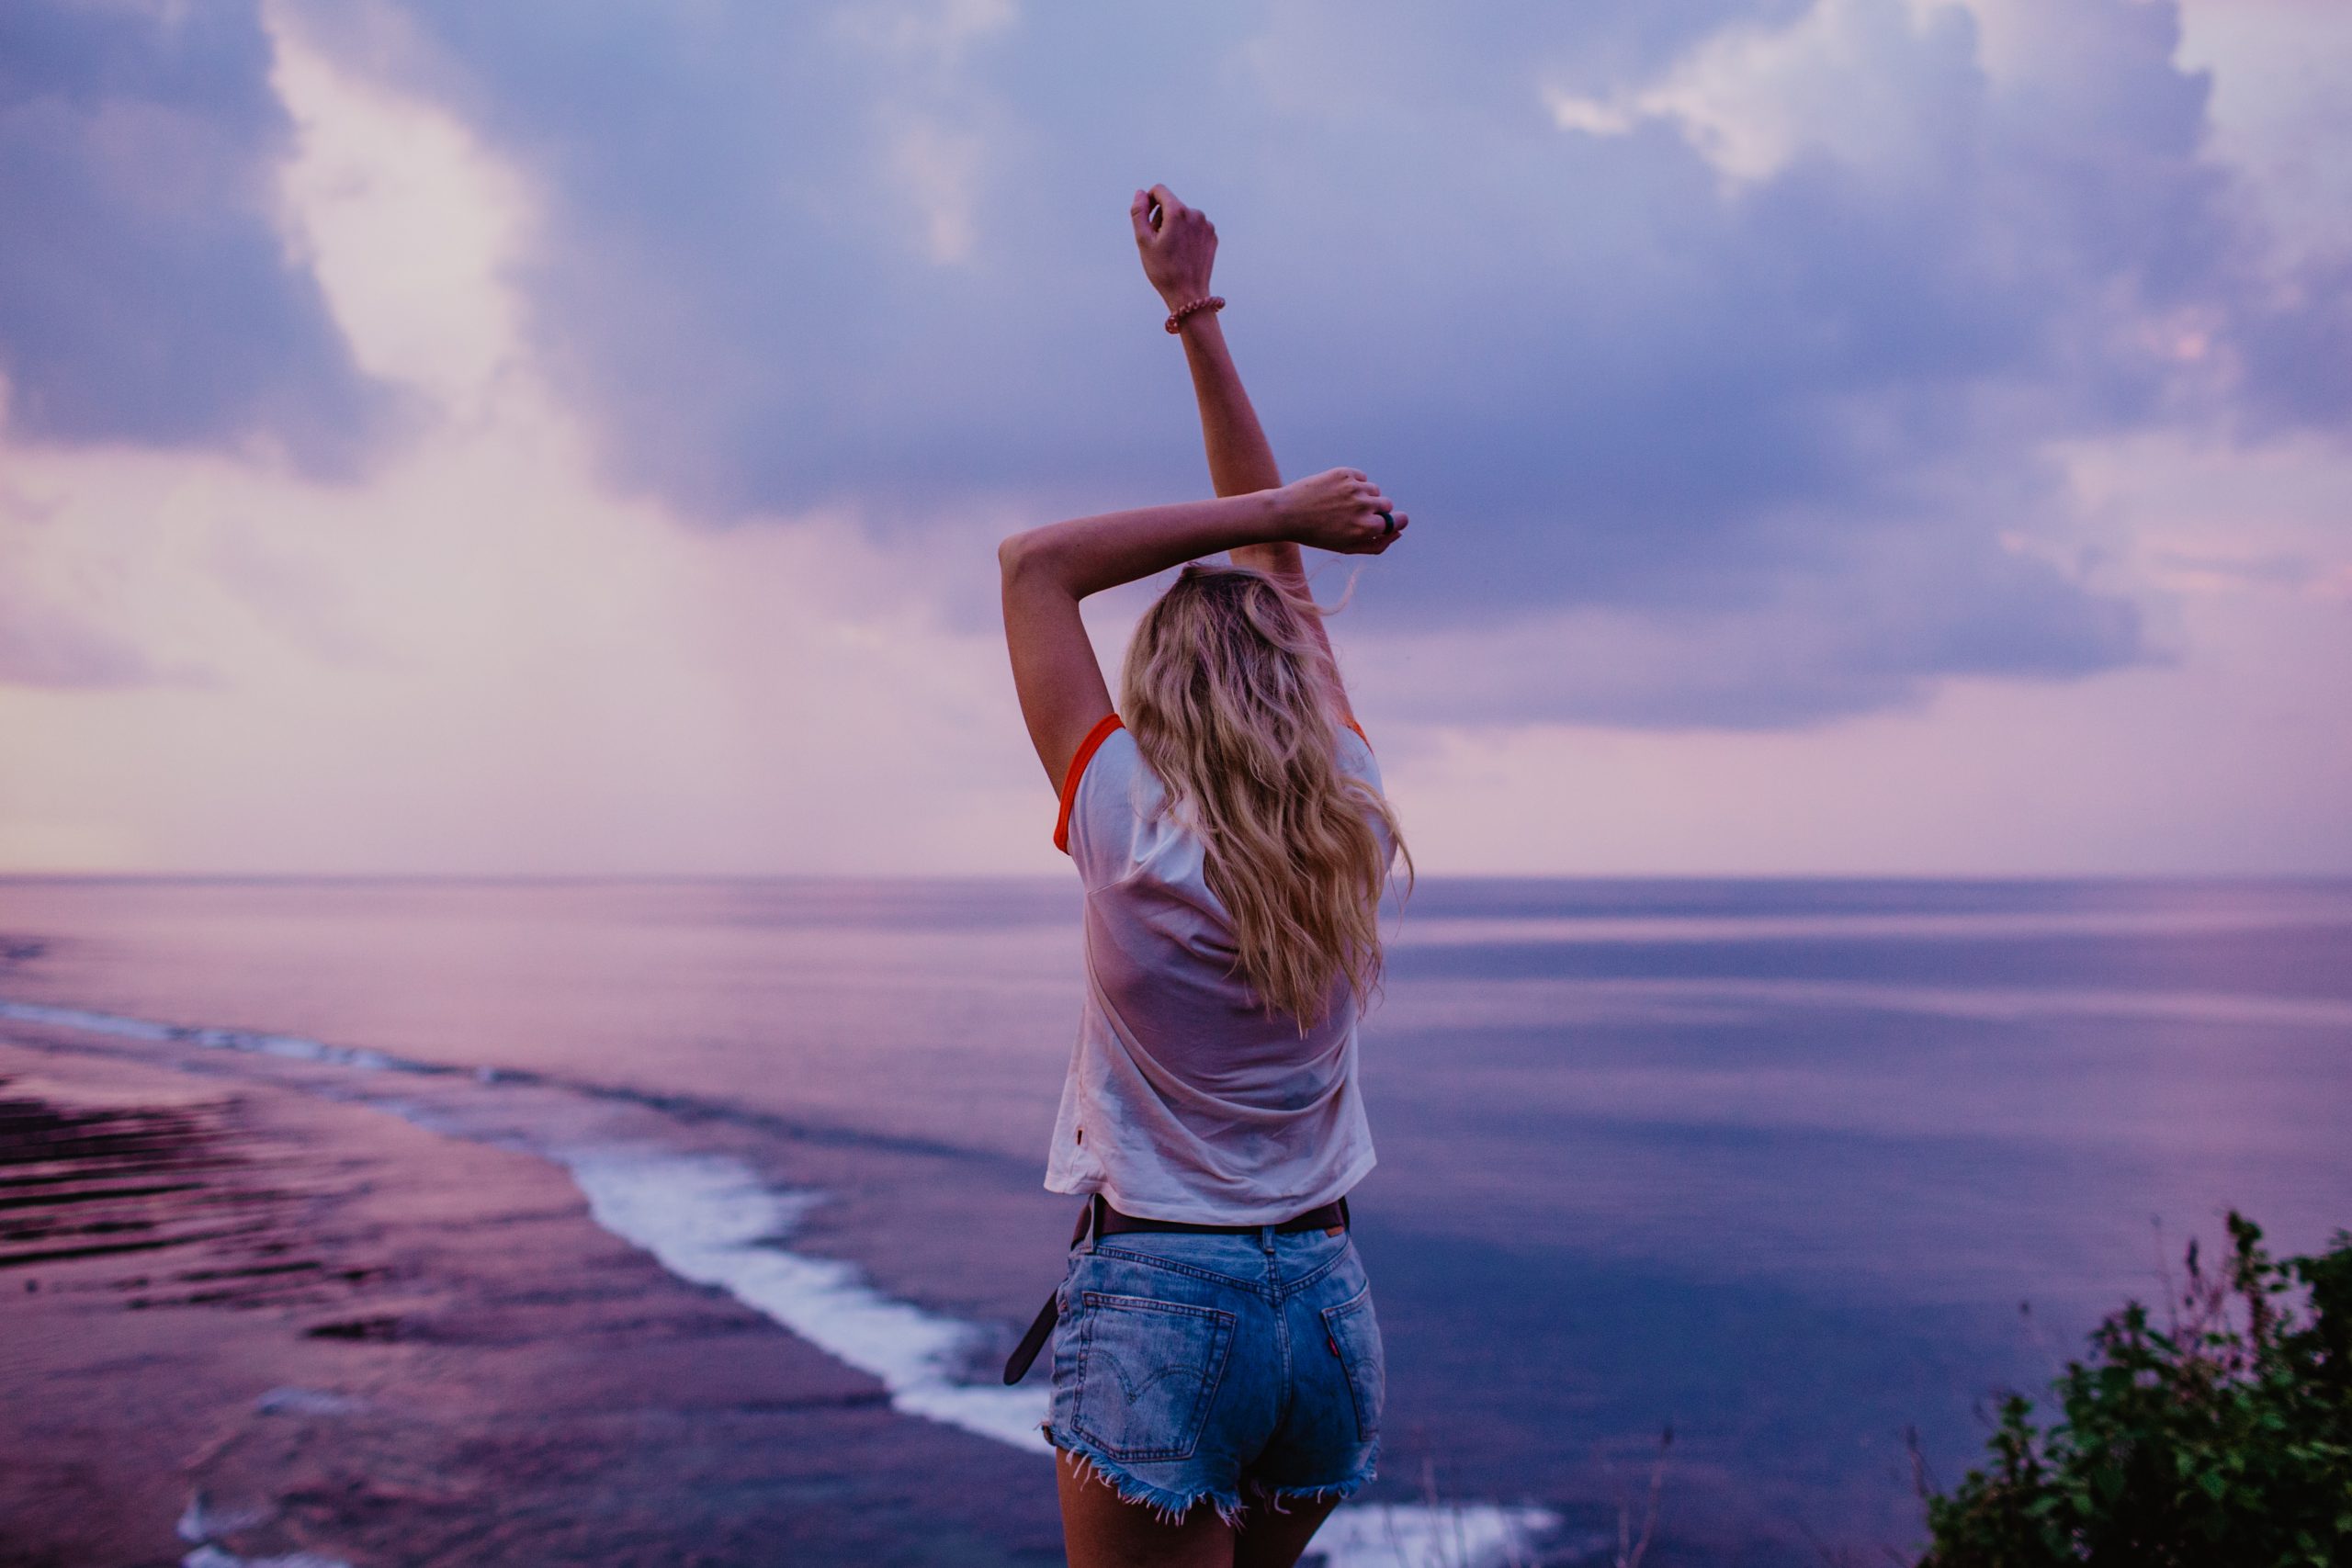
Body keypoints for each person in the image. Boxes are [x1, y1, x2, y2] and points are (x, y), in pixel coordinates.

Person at [997, 183, 1414, 1568]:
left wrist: (1281, 501)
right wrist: (1196, 316)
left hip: (1164, 1297)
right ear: (1297, 687)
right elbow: (1274, 571)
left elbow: (1035, 566)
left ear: (1158, 699)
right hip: (1325, 1307)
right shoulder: (1348, 805)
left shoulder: (1125, 824)